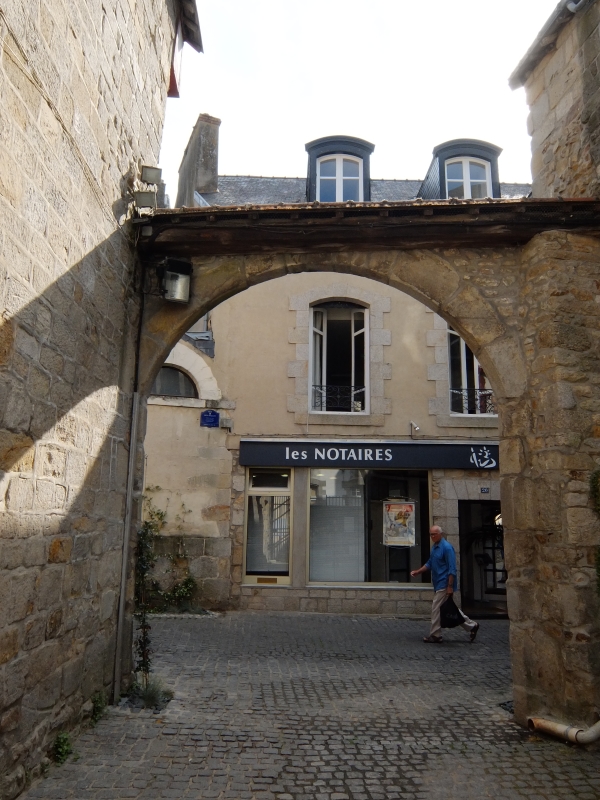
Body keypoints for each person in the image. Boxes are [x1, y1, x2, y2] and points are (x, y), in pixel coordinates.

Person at [410, 525, 480, 644]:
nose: (432, 536)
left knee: (436, 608)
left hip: (444, 583)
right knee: (451, 608)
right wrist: (418, 571)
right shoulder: (435, 547)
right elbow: (430, 563)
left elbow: (452, 569)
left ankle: (435, 634)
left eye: (434, 534)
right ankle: (472, 626)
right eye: (431, 534)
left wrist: (449, 586)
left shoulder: (447, 548)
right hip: (438, 582)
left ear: (440, 534)